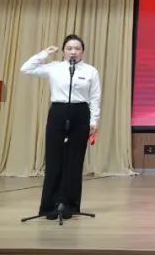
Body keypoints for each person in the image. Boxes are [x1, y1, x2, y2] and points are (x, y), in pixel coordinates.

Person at [20, 35, 102, 220]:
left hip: (80, 113)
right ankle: (50, 206)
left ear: (83, 51)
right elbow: (26, 68)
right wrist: (45, 53)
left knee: (74, 161)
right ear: (64, 51)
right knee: (54, 160)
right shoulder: (54, 67)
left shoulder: (90, 71)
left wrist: (94, 121)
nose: (73, 52)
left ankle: (70, 206)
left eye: (77, 48)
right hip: (58, 112)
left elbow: (95, 97)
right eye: (69, 48)